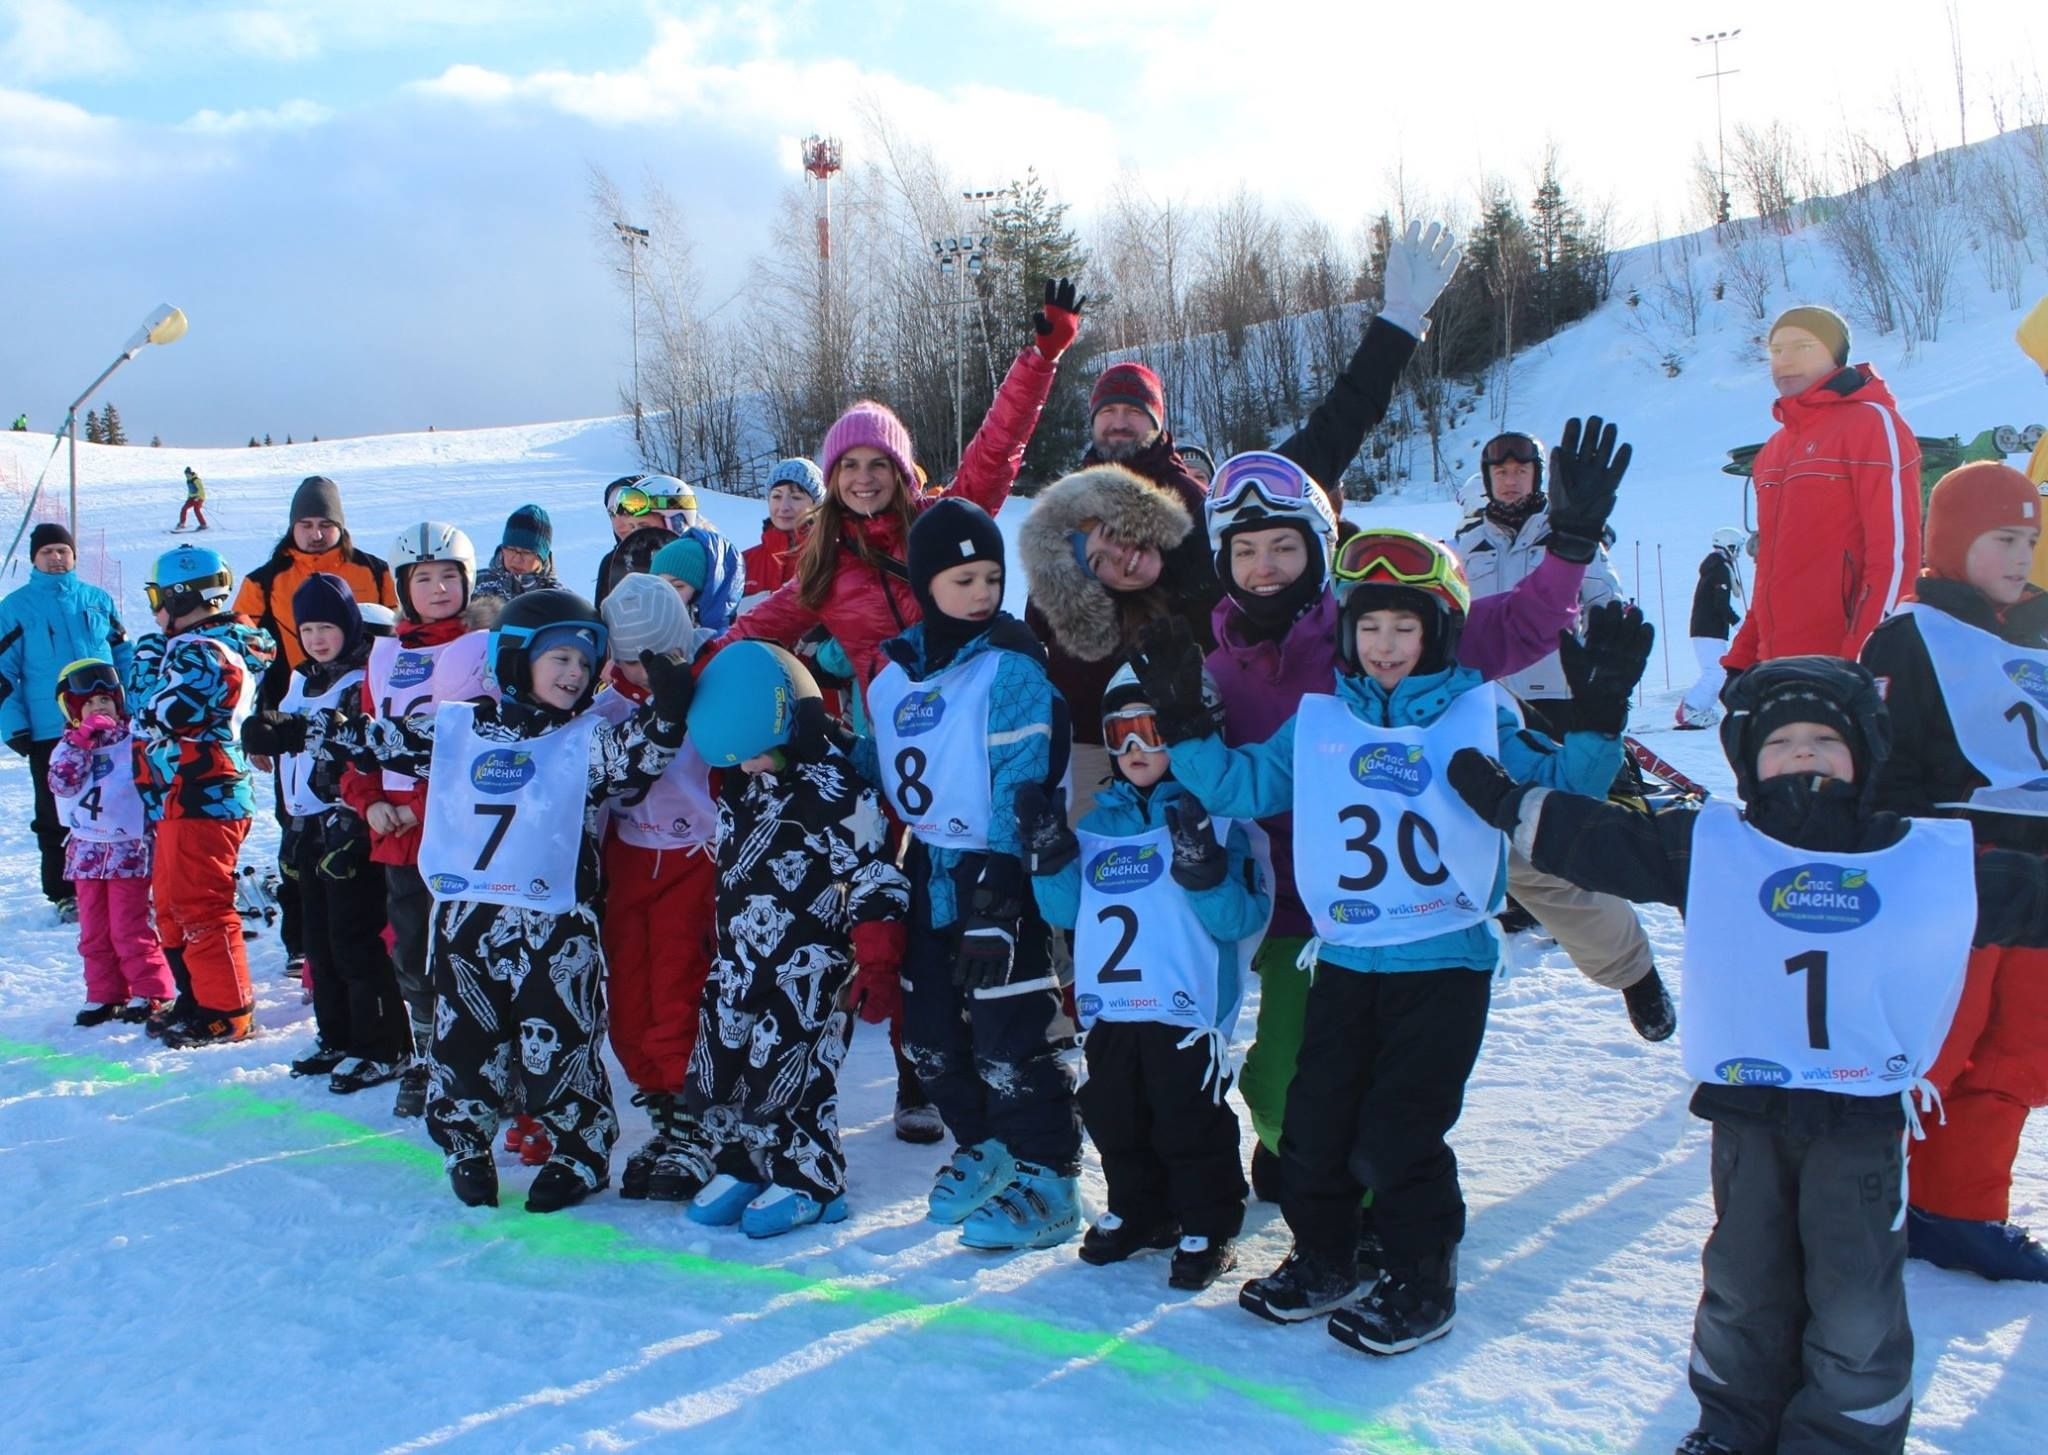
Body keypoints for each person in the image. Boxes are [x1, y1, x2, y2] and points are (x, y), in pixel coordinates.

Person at [1448, 656, 2048, 1454]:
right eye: (1781, 741)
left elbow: (2023, 895)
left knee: (1856, 1294)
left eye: (1825, 740)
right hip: (1747, 1111)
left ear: (1865, 752)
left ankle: (1844, 1436)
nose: (1803, 753)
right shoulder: (1716, 848)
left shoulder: (1917, 858)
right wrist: (1509, 801)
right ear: (1747, 759)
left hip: (1861, 1119)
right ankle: (1732, 1422)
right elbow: (1604, 844)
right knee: (1742, 1279)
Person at [1128, 528, 1645, 1353]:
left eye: (1406, 626)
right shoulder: (1321, 720)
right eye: (1369, 626)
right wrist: (1186, 721)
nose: (1386, 644)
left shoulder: (1478, 712)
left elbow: (1563, 790)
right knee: (1315, 1123)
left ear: (1439, 631)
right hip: (1344, 956)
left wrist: (1600, 719)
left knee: (1399, 1134)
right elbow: (1240, 785)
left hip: (1441, 962)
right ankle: (1325, 1255)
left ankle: (1420, 1278)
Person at [1196, 440, 1638, 1187]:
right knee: (1292, 1087)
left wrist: (1569, 546)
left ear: (1318, 548)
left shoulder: (1379, 620)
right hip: (1312, 905)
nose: (1264, 566)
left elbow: (1519, 623)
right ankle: (1312, 1152)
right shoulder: (1218, 664)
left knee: (1555, 865)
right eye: (1245, 550)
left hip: (1437, 866)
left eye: (1283, 546)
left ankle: (1631, 969)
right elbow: (1228, 781)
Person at [259, 589, 693, 1212]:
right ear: (516, 658)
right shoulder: (458, 728)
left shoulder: (588, 738)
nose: (575, 674)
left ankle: (580, 1150)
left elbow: (638, 761)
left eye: (584, 662)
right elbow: (378, 739)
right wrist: (300, 730)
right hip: (468, 917)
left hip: (554, 923)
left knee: (560, 1040)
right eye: (560, 658)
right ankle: (464, 1143)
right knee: (464, 1039)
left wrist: (669, 711)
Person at [1026, 222, 1462, 817]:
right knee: (1093, 868)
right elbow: (1036, 628)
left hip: (1197, 731)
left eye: (1135, 410)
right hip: (1093, 737)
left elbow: (1329, 434)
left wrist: (1398, 324)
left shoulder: (1207, 506)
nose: (1120, 421)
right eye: (1109, 410)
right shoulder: (1061, 513)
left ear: (1159, 424)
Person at [857, 499, 1083, 1250]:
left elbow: (1024, 777)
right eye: (963, 580)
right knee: (929, 1035)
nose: (983, 592)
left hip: (999, 868)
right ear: (926, 585)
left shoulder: (1010, 665)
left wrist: (999, 893)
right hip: (927, 866)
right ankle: (988, 1146)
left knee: (1009, 1032)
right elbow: (880, 765)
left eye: (992, 577)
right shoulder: (893, 674)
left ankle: (1048, 1173)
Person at [1021, 661, 1270, 1290]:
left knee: (1188, 1115)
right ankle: (1140, 1208)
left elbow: (1242, 918)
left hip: (1184, 1005)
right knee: (1114, 1111)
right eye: (1120, 731)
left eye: (1152, 730)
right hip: (1113, 1004)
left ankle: (1209, 1219)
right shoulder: (1098, 823)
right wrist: (1050, 857)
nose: (1135, 747)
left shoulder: (1218, 819)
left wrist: (1205, 869)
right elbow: (1065, 912)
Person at [1859, 461, 2048, 1280]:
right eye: (2003, 539)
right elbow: (1882, 763)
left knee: (2021, 1045)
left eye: (2030, 540)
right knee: (1937, 1042)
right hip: (1954, 872)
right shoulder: (1911, 636)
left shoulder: (2040, 632)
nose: (2021, 556)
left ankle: (1960, 1209)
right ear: (1954, 540)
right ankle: (1861, 1194)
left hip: (2037, 882)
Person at [714, 280, 1082, 693]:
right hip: (894, 730)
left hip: (972, 716)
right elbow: (751, 629)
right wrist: (690, 674)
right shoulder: (827, 566)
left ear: (901, 473)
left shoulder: (940, 525)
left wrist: (1041, 360)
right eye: (850, 465)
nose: (864, 478)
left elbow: (997, 449)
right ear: (834, 479)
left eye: (879, 464)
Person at [659, 640, 912, 1236]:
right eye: (737, 759)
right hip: (739, 963)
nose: (747, 766)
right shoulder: (742, 785)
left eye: (755, 754)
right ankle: (743, 1164)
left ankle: (811, 1181)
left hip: (810, 970)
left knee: (791, 1077)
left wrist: (877, 960)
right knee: (717, 1071)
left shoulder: (838, 789)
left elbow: (874, 873)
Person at [1451, 422, 1673, 1041]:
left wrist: (1604, 660)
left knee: (1562, 841)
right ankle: (1515, 908)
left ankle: (1629, 965)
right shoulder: (1466, 544)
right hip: (1491, 697)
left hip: (1562, 695)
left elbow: (1602, 599)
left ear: (1537, 475)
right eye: (1501, 470)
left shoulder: (1570, 534)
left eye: (1521, 468)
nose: (1511, 478)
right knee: (1495, 836)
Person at [339, 521, 492, 1118]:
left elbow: (485, 745)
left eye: (449, 576)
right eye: (423, 578)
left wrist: (418, 808)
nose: (438, 589)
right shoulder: (384, 656)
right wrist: (369, 800)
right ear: (403, 588)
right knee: (412, 950)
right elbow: (364, 740)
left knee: (469, 949)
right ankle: (430, 1052)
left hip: (463, 832)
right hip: (400, 837)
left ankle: (479, 1056)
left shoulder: (483, 649)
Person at [230, 474, 398, 977]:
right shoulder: (266, 578)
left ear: (340, 525)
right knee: (297, 829)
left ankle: (373, 935)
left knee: (355, 826)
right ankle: (302, 940)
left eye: (325, 523)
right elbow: (244, 645)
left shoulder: (372, 569)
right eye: (305, 524)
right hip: (291, 704)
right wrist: (261, 719)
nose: (316, 533)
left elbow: (399, 627)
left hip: (360, 701)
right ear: (292, 528)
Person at [592, 574, 720, 1200]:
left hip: (693, 858)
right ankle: (662, 1107)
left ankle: (693, 1114)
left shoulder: (709, 691)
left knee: (677, 981)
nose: (647, 674)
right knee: (630, 987)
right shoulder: (606, 707)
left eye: (661, 658)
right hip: (627, 859)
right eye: (632, 661)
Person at [129, 545, 277, 1048]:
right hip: (177, 794)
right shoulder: (193, 647)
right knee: (172, 905)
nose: (154, 611)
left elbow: (158, 713)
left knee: (201, 905)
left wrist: (146, 665)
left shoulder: (206, 652)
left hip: (204, 793)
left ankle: (226, 1010)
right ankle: (196, 996)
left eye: (157, 598)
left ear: (180, 596)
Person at [266, 573, 409, 1094]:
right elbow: (289, 756)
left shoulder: (360, 679)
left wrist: (303, 737)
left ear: (349, 626)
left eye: (327, 627)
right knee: (318, 940)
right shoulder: (301, 679)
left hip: (347, 822)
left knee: (355, 939)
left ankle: (382, 1045)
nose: (318, 639)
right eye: (308, 630)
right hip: (306, 823)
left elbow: (356, 752)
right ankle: (336, 1035)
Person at [1724, 305, 1921, 672]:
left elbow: (1896, 559)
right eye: (1777, 350)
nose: (1785, 360)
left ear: (1836, 356)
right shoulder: (1773, 451)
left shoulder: (1871, 424)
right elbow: (1769, 575)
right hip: (1779, 669)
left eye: (1803, 347)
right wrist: (1742, 660)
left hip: (1842, 668)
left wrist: (1860, 666)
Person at [0, 522, 132, 923]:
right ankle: (64, 892)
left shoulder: (96, 599)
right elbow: (3, 673)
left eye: (63, 551)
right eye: (47, 552)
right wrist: (14, 726)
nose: (56, 558)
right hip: (50, 729)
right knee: (56, 810)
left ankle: (123, 877)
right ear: (34, 559)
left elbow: (123, 655)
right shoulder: (15, 607)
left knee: (116, 801)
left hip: (110, 726)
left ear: (74, 556)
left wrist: (132, 705)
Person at [47, 659, 174, 1025]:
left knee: (128, 925)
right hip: (86, 852)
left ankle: (150, 989)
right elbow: (62, 784)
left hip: (128, 849)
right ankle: (104, 992)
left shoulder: (133, 738)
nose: (98, 708)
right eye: (88, 703)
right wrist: (81, 743)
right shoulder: (68, 746)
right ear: (73, 711)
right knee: (94, 929)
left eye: (105, 700)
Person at [1675, 527, 1747, 729]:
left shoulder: (1715, 566)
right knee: (1716, 673)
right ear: (1729, 547)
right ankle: (1690, 708)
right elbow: (1720, 604)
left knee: (1717, 672)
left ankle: (1698, 708)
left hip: (1706, 628)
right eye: (1737, 549)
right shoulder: (1720, 569)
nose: (1738, 554)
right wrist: (1740, 625)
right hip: (1709, 628)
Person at [742, 457, 824, 599]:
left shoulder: (831, 559)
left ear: (816, 505)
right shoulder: (742, 564)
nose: (784, 507)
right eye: (777, 496)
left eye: (796, 497)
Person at [471, 504, 560, 625]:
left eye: (526, 552)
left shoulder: (557, 599)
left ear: (542, 556)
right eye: (511, 549)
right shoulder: (475, 584)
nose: (517, 559)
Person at [650, 528, 746, 633]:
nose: (664, 594)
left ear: (703, 593)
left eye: (678, 586)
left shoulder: (738, 640)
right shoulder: (647, 635)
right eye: (659, 586)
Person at [593, 474, 649, 603]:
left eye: (625, 511)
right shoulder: (610, 563)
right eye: (612, 513)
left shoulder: (680, 557)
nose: (618, 524)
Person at [176, 467, 207, 531]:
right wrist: (188, 497)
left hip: (199, 497)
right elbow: (190, 490)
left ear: (190, 473)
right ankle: (182, 523)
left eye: (188, 474)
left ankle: (203, 524)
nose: (187, 476)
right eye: (185, 474)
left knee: (196, 510)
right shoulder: (188, 481)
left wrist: (198, 497)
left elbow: (201, 489)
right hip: (192, 498)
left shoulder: (196, 480)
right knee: (184, 508)